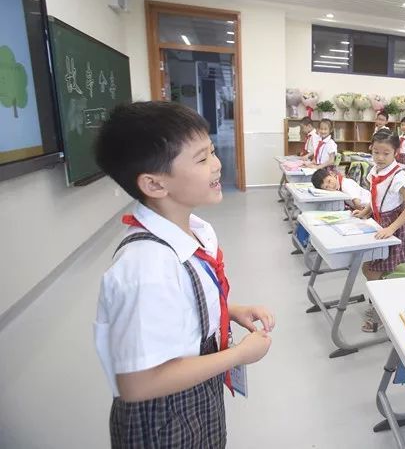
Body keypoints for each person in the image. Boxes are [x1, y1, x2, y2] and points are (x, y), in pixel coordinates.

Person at [93, 102, 274, 447]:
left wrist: (229, 310)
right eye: (202, 158)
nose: (218, 163)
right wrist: (239, 355)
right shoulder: (146, 268)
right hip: (162, 419)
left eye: (211, 151)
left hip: (196, 394)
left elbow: (181, 303)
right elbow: (138, 384)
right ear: (155, 185)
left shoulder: (191, 231)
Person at [356, 130, 405, 332]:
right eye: (376, 152)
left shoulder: (398, 176)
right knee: (369, 268)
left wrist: (391, 228)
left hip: (397, 230)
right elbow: (375, 196)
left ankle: (379, 312)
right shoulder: (375, 170)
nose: (379, 157)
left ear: (396, 152)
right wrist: (366, 211)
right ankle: (381, 302)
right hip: (380, 223)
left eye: (385, 153)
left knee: (372, 270)